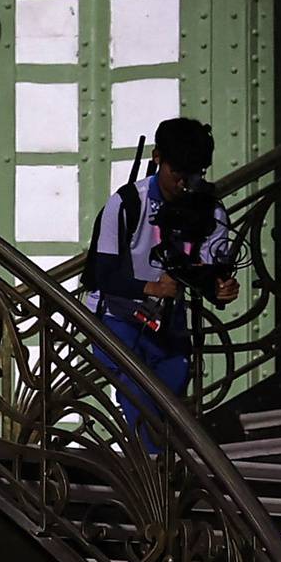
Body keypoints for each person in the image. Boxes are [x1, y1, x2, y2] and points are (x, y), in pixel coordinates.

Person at [85, 116, 239, 453]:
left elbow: (206, 270)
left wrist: (219, 289)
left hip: (167, 323)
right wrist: (150, 288)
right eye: (178, 173)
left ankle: (162, 469)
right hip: (117, 318)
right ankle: (153, 474)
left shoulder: (209, 209)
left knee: (171, 398)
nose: (185, 183)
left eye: (194, 173)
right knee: (137, 394)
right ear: (157, 159)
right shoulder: (126, 203)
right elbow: (101, 273)